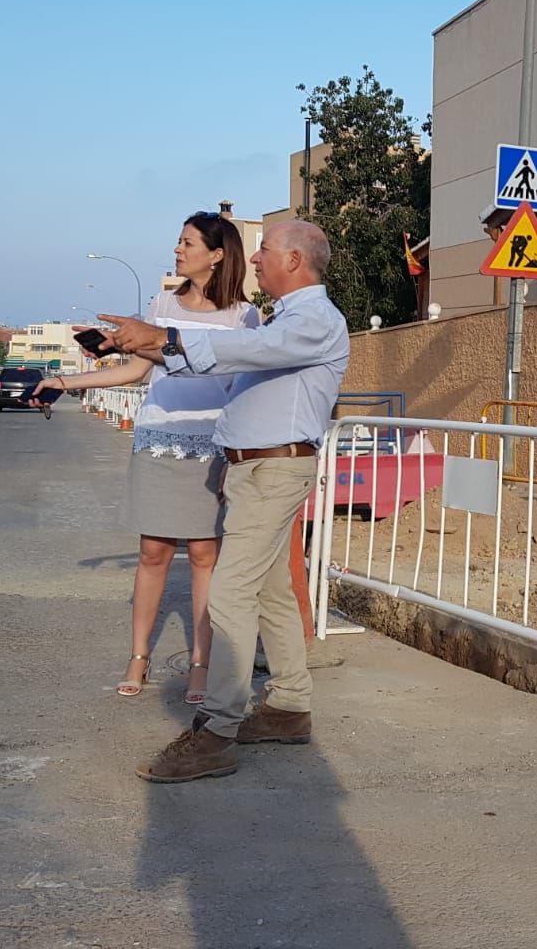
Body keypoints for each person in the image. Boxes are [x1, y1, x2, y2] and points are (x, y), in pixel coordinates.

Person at [96, 219, 349, 785]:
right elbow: (235, 356)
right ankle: (287, 706)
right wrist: (154, 345)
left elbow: (244, 347)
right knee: (271, 592)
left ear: (294, 261)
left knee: (231, 595)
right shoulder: (289, 317)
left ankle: (217, 729)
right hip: (257, 468)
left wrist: (164, 339)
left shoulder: (314, 320)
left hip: (274, 468)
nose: (254, 259)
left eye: (265, 251)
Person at [37, 211, 256, 703]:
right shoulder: (161, 304)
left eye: (187, 243)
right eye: (178, 242)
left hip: (213, 446)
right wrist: (66, 382)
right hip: (158, 439)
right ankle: (139, 656)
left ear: (216, 255)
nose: (177, 250)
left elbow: (242, 388)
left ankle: (201, 663)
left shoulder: (245, 317)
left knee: (205, 555)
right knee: (152, 551)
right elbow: (135, 371)